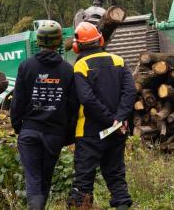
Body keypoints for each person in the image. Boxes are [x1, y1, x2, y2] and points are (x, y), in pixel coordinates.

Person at [68, 22, 136, 210]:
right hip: (117, 131)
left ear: (77, 46)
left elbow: (87, 100)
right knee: (115, 175)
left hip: (89, 132)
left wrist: (110, 120)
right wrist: (119, 120)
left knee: (83, 181)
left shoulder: (80, 66)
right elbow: (130, 92)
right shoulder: (119, 61)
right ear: (100, 40)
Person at [10, 20, 77, 210]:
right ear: (58, 42)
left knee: (33, 180)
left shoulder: (26, 66)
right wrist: (67, 136)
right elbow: (73, 106)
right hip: (54, 135)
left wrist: (18, 128)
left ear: (39, 42)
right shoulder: (67, 69)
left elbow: (18, 102)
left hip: (29, 132)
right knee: (45, 180)